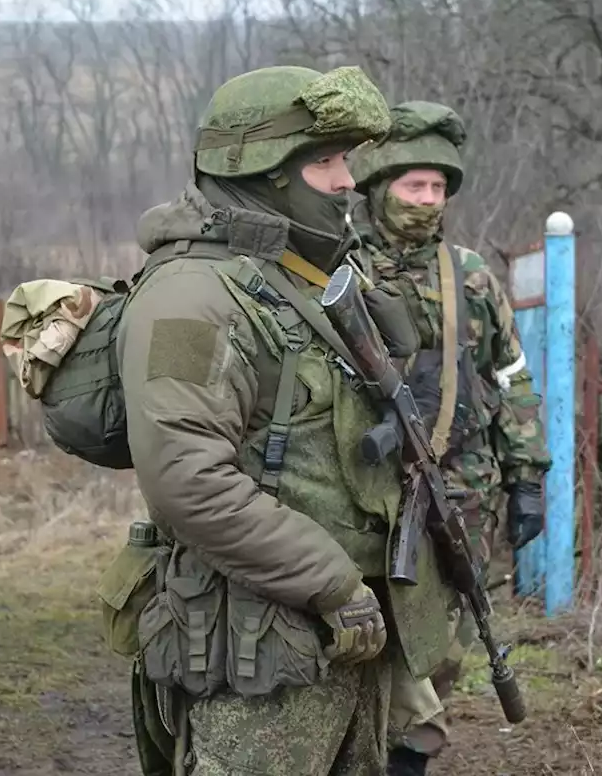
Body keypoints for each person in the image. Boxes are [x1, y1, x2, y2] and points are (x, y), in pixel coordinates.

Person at [113, 66, 458, 776]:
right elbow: (187, 481)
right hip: (257, 653)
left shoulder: (290, 275)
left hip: (334, 640)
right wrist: (331, 582)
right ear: (267, 170)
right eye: (325, 160)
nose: (345, 181)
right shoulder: (191, 296)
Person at [347, 100, 550, 775]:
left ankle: (410, 758)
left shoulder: (470, 276)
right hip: (363, 493)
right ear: (380, 187)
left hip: (461, 492)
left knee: (444, 643)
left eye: (438, 187)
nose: (427, 200)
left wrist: (528, 479)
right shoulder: (339, 273)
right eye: (413, 186)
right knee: (362, 636)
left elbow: (512, 377)